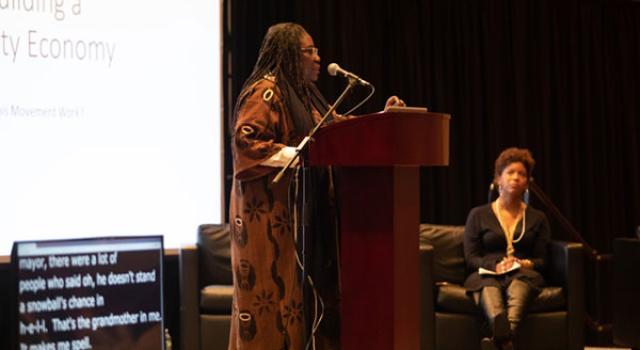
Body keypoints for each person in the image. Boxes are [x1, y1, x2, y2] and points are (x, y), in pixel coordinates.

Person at [228, 22, 404, 350]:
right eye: (310, 51)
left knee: (306, 303)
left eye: (316, 51)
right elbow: (245, 140)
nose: (318, 58)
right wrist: (299, 154)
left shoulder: (302, 93)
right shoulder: (266, 91)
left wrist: (384, 117)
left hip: (304, 212)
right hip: (270, 217)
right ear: (289, 56)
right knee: (274, 301)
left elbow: (335, 130)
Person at [463, 148, 551, 350]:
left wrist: (522, 263)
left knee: (520, 281)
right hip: (487, 273)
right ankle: (506, 340)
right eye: (510, 172)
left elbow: (542, 260)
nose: (516, 178)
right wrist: (495, 265)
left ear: (527, 182)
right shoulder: (478, 214)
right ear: (498, 179)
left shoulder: (538, 218)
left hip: (522, 273)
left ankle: (499, 339)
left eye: (522, 174)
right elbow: (471, 257)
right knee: (488, 284)